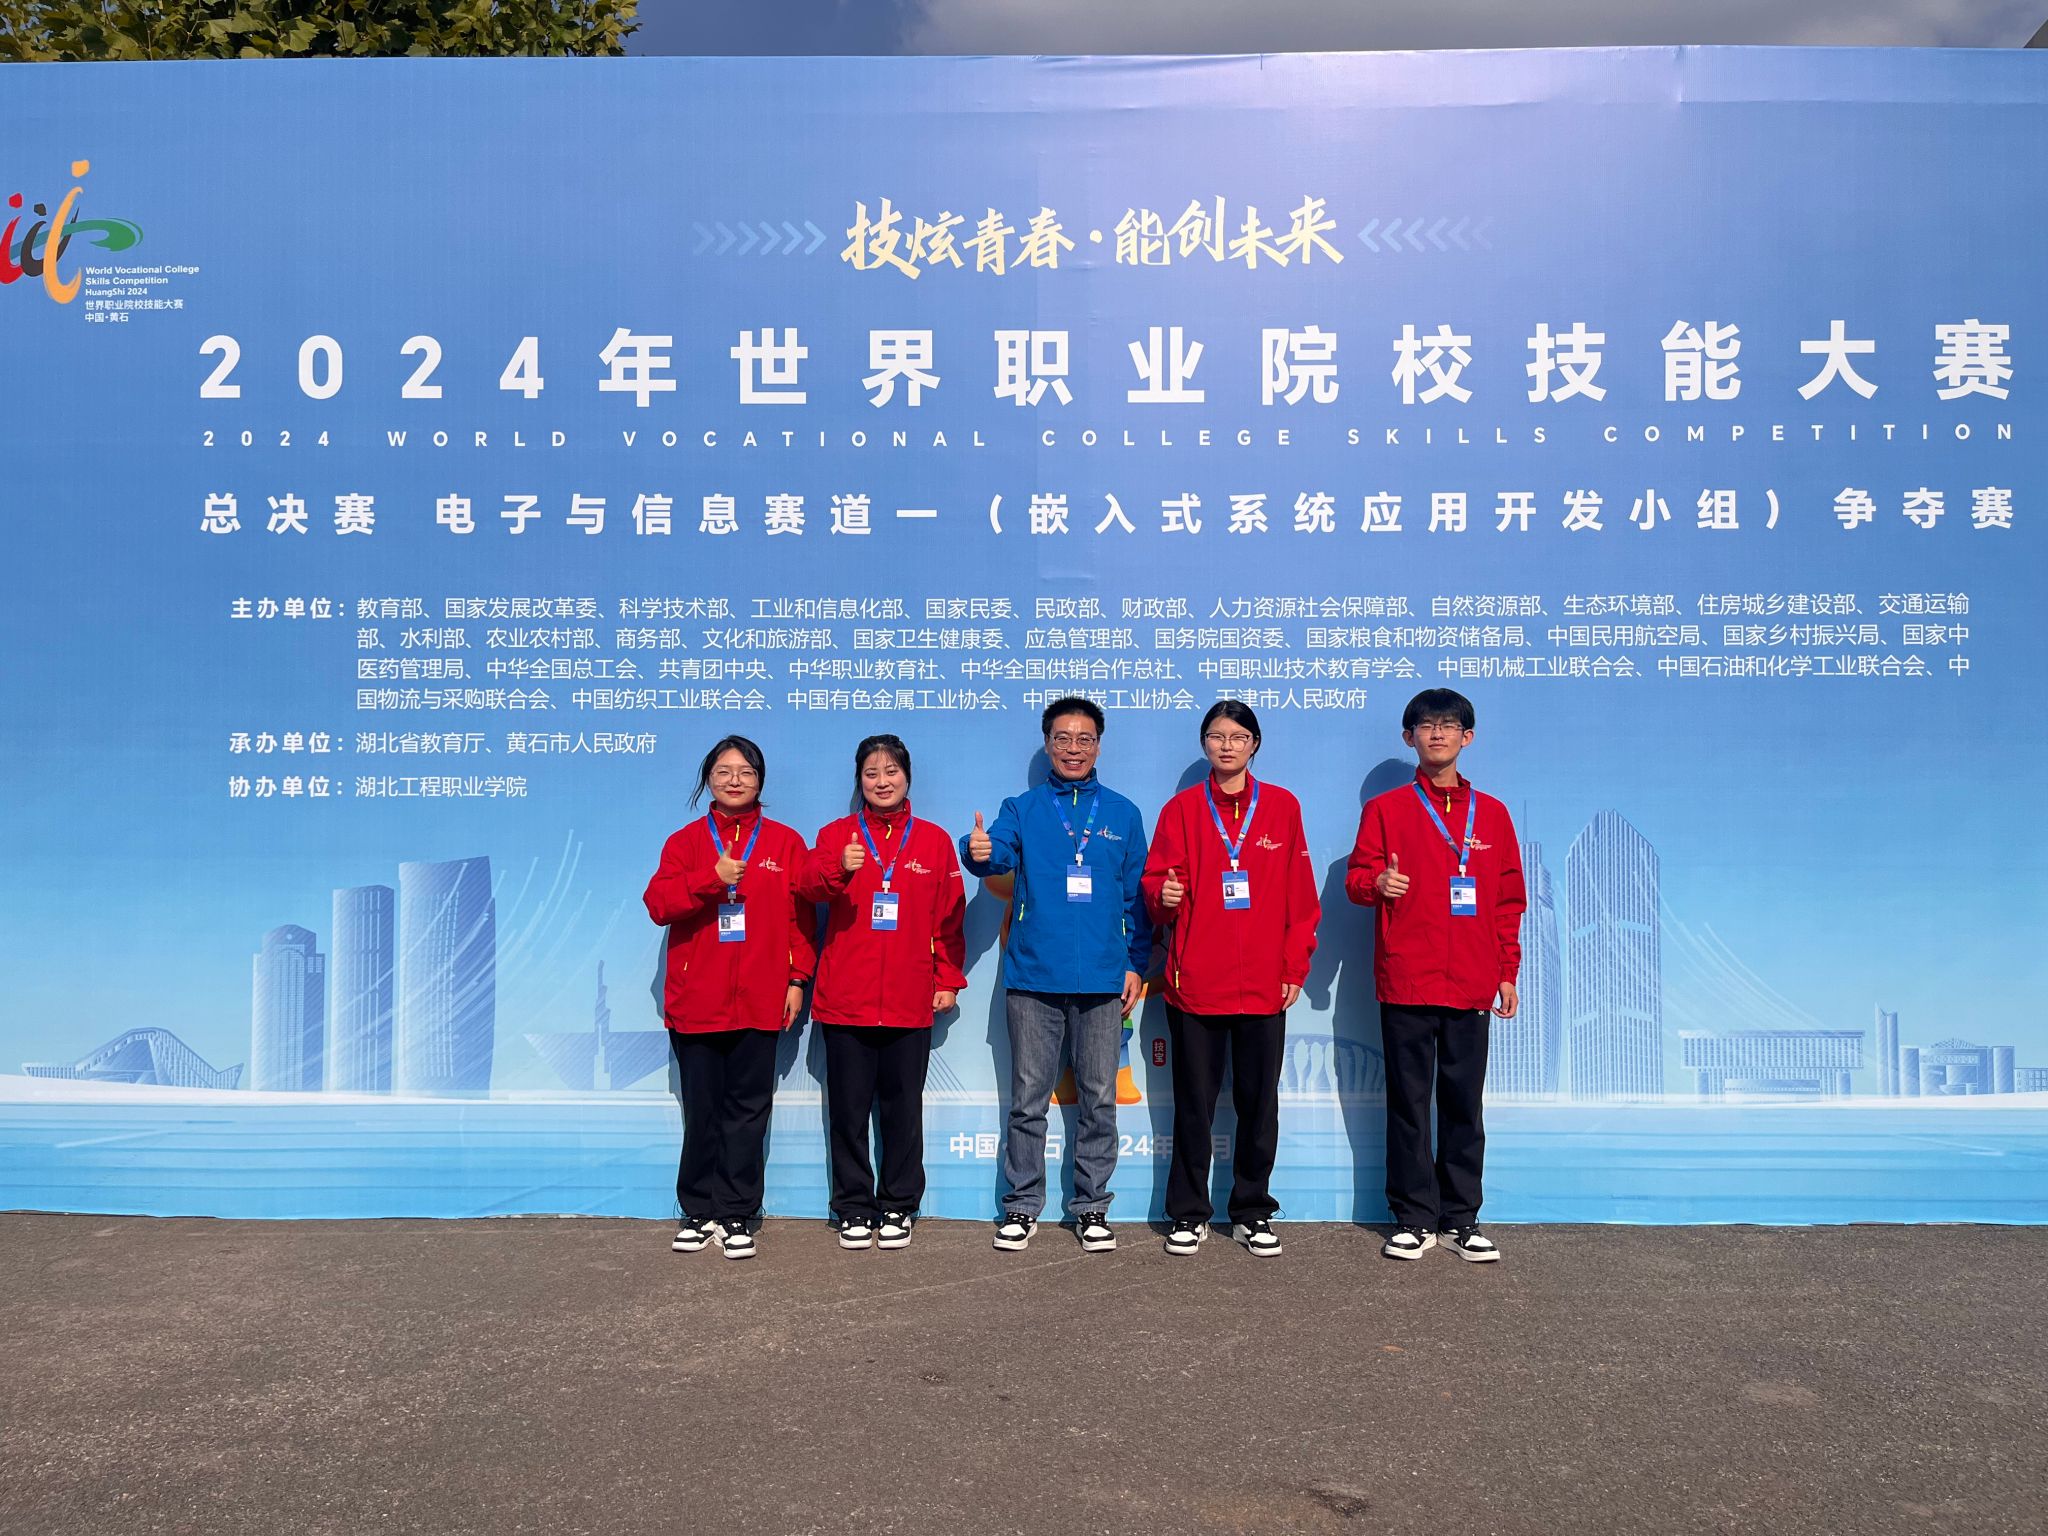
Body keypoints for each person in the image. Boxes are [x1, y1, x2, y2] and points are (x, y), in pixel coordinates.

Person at [964, 696, 1150, 1253]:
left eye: (1084, 739)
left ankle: (1092, 1207)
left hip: (1102, 979)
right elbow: (995, 854)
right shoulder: (1022, 808)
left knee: (1099, 1099)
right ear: (1048, 744)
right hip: (1034, 976)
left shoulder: (1122, 813)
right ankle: (1021, 1207)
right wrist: (977, 851)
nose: (1074, 748)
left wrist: (1135, 963)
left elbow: (1135, 899)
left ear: (1098, 746)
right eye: (1063, 738)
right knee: (1029, 1101)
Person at [1345, 689, 1525, 1263]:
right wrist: (1378, 884)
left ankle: (1461, 1217)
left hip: (1472, 979)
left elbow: (1508, 901)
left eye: (1449, 725)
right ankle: (1414, 1217)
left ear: (1467, 737)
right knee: (1408, 1103)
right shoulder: (1386, 810)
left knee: (1464, 1104)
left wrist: (1506, 970)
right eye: (1426, 725)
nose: (1438, 734)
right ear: (1410, 737)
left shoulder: (1492, 814)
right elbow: (1356, 879)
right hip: (1407, 977)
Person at [1140, 702, 1320, 1258]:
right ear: (1204, 744)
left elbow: (1300, 897)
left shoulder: (1283, 807)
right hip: (1196, 983)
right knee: (1193, 1104)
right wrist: (1163, 895)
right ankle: (1188, 1213)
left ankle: (1252, 1209)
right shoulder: (1181, 810)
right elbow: (1154, 886)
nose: (1227, 746)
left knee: (1258, 1105)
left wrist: (1294, 967)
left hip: (1264, 985)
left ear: (1254, 745)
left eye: (1238, 737)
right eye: (1217, 736)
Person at [642, 735, 815, 1261]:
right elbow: (659, 904)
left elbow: (800, 919)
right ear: (708, 780)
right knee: (702, 1110)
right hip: (697, 1000)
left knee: (748, 1111)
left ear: (760, 780)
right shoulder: (685, 842)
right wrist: (709, 879)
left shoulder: (785, 842)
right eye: (724, 771)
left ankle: (738, 1212)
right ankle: (698, 1211)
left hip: (761, 998)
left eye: (746, 771)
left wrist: (797, 979)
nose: (735, 780)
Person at [797, 734, 967, 1252]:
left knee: (902, 1111)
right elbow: (805, 887)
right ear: (860, 780)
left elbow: (949, 917)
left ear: (907, 777)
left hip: (908, 1000)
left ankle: (898, 1204)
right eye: (871, 773)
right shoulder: (836, 835)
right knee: (847, 1112)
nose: (882, 781)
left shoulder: (933, 841)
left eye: (891, 771)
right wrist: (838, 868)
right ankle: (853, 1206)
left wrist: (947, 979)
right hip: (845, 999)